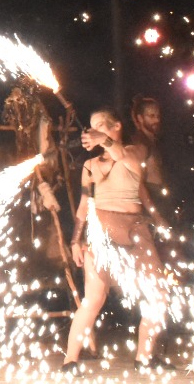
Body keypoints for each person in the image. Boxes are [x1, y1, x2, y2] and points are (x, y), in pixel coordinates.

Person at [62, 110, 165, 369]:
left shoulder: (136, 151)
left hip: (135, 231)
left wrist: (104, 140)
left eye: (101, 126)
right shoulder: (90, 165)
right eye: (92, 128)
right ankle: (69, 361)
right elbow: (84, 206)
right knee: (94, 299)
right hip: (102, 234)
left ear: (116, 125)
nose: (94, 131)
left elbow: (121, 155)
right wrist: (75, 240)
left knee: (158, 295)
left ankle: (144, 357)